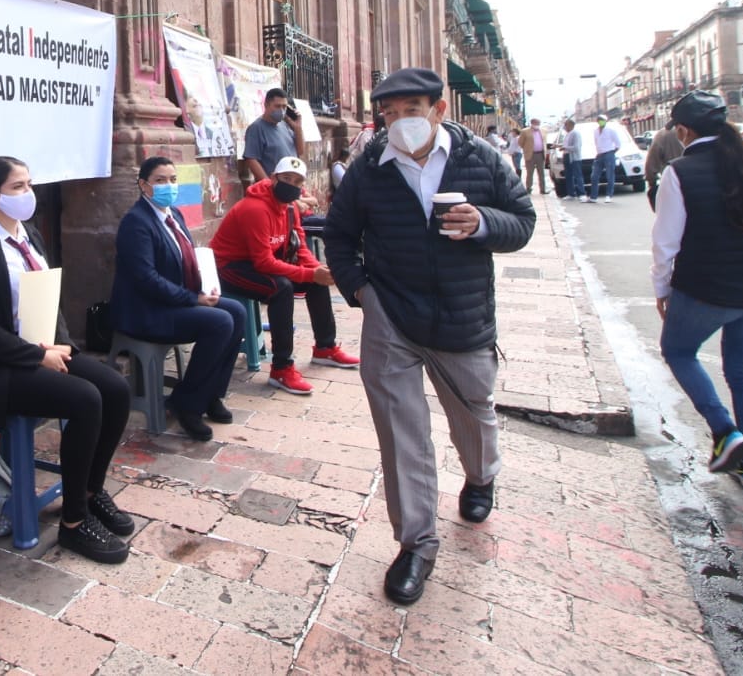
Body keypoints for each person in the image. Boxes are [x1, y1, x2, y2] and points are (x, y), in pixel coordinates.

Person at [321, 67, 536, 607]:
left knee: (474, 410)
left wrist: (482, 221)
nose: (399, 122)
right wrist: (363, 294)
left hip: (462, 319)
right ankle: (416, 544)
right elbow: (340, 238)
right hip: (391, 317)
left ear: (439, 110)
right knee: (402, 434)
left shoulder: (480, 158)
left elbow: (523, 220)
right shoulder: (370, 167)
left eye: (410, 109)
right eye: (388, 113)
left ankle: (481, 476)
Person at [0, 156, 133, 563]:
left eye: (30, 184)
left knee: (116, 388)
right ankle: (73, 523)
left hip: (42, 349)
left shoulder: (30, 234)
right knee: (86, 399)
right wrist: (37, 356)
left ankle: (89, 489)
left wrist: (63, 347)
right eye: (18, 187)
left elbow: (47, 300)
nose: (28, 194)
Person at [651, 91, 743, 492]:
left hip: (704, 292)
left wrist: (662, 289)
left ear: (683, 130)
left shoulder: (679, 172)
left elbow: (666, 243)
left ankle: (725, 431)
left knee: (679, 352)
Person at [109, 157, 247, 440]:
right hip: (147, 311)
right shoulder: (136, 223)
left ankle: (210, 395)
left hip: (175, 302)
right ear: (144, 186)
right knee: (219, 322)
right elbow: (146, 279)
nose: (169, 186)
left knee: (236, 311)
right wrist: (192, 299)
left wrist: (206, 288)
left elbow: (187, 261)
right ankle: (188, 405)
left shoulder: (174, 215)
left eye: (173, 179)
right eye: (160, 181)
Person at [209, 156, 359, 396]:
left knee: (314, 281)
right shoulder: (255, 209)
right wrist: (310, 273)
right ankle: (281, 368)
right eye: (286, 178)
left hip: (256, 264)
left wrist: (317, 272)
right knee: (281, 288)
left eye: (297, 181)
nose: (291, 184)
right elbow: (264, 262)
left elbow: (299, 247)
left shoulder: (290, 208)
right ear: (273, 178)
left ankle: (325, 347)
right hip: (229, 268)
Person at [241, 87, 305, 184]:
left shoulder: (285, 125)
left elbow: (300, 150)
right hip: (274, 188)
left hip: (291, 186)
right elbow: (251, 160)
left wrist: (298, 128)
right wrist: (269, 185)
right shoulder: (256, 128)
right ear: (266, 105)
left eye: (284, 107)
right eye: (277, 106)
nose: (281, 110)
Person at [644, 119, 686, 211]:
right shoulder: (708, 133)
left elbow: (651, 163)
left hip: (673, 186)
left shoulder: (663, 134)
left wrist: (652, 184)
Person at [588, 114, 622, 203]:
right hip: (599, 155)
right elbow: (596, 143)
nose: (600, 121)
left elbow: (618, 144)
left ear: (605, 121)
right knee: (594, 176)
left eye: (602, 120)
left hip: (609, 154)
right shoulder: (595, 131)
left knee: (610, 175)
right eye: (599, 120)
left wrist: (612, 152)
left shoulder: (611, 131)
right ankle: (593, 197)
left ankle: (609, 195)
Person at [518, 118, 549, 194]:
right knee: (530, 173)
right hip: (530, 154)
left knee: (541, 173)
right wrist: (527, 149)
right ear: (532, 123)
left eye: (538, 123)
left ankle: (543, 189)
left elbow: (545, 142)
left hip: (540, 154)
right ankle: (529, 188)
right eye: (536, 123)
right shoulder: (525, 131)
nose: (537, 125)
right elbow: (520, 143)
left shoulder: (543, 131)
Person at [560, 117, 588, 202]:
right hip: (567, 156)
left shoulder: (575, 134)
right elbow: (566, 145)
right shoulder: (567, 134)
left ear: (570, 125)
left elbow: (576, 147)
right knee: (568, 176)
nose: (565, 127)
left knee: (577, 175)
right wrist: (559, 146)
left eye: (566, 125)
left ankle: (582, 194)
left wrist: (564, 147)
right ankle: (571, 193)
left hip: (574, 158)